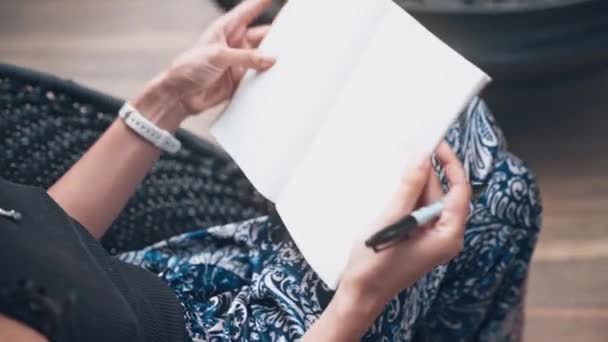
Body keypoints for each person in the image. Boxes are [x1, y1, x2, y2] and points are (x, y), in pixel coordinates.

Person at [0, 0, 541, 341]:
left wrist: (166, 100)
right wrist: (360, 301)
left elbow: (39, 255)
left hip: (160, 279)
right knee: (493, 188)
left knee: (479, 173)